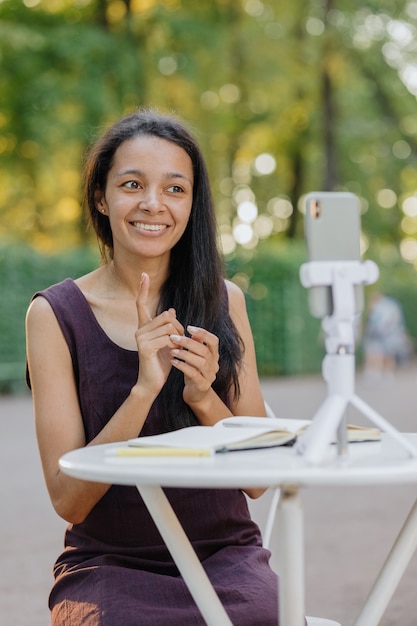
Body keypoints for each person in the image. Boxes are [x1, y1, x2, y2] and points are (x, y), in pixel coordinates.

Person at [25, 108, 280, 625]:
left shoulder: (224, 302)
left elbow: (260, 479)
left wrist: (204, 398)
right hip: (108, 565)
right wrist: (144, 389)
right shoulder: (54, 315)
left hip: (222, 556)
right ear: (102, 197)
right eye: (132, 184)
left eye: (174, 189)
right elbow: (69, 500)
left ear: (192, 203)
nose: (152, 204)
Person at [362, 291, 412, 381]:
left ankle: (385, 374)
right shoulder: (379, 306)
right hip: (376, 334)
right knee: (375, 353)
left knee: (387, 354)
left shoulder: (387, 306)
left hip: (387, 334)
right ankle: (375, 373)